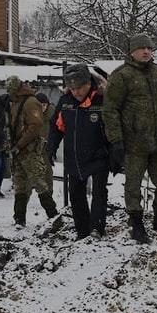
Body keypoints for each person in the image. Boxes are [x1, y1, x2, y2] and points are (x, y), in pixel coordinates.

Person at [102, 32, 157, 244]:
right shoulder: (121, 75)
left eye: (149, 48)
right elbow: (110, 110)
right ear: (132, 51)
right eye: (142, 48)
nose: (146, 51)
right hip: (134, 143)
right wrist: (116, 140)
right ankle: (136, 225)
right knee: (133, 187)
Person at [49, 64, 110, 240]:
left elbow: (113, 128)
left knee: (99, 192)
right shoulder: (65, 102)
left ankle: (97, 229)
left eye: (79, 88)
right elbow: (56, 127)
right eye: (72, 88)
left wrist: (116, 151)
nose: (76, 92)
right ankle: (82, 231)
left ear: (88, 83)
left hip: (99, 154)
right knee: (76, 194)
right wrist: (51, 147)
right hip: (74, 156)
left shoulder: (101, 100)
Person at [6, 76, 58, 226]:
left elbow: (35, 126)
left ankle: (53, 215)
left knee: (39, 183)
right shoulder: (17, 103)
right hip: (19, 150)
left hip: (29, 150)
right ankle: (19, 219)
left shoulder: (30, 102)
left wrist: (20, 144)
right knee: (20, 185)